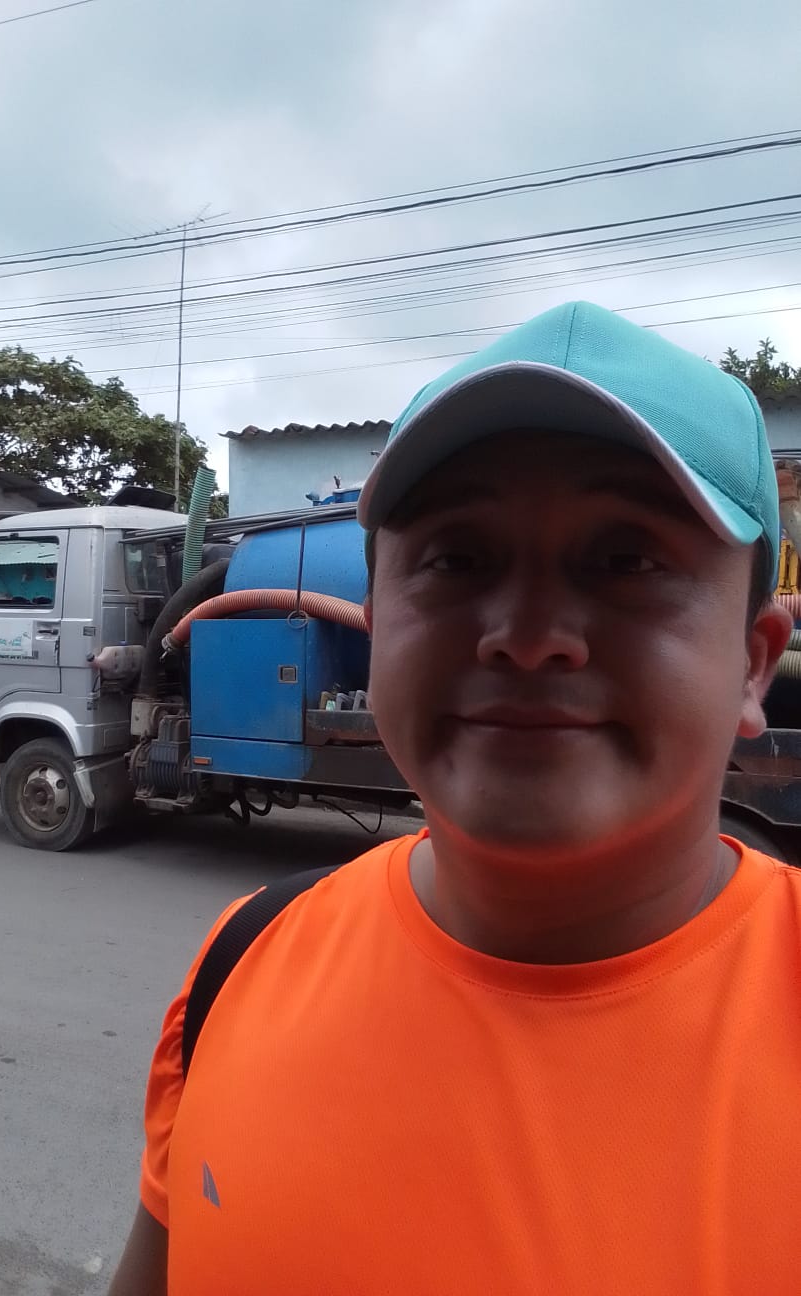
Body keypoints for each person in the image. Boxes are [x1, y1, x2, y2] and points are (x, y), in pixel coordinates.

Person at [108, 301, 801, 1295]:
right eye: (456, 559)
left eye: (629, 561)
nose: (527, 635)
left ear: (753, 662)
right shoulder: (243, 962)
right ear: (376, 625)